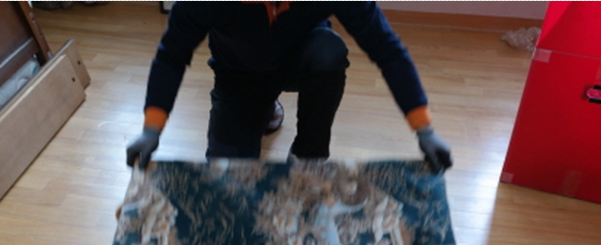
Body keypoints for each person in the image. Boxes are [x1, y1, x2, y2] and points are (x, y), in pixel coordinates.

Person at [126, 1, 452, 171]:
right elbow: (171, 56)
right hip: (238, 76)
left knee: (329, 53)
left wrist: (423, 128)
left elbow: (387, 49)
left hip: (302, 61)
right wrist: (152, 128)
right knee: (230, 180)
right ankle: (264, 106)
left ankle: (308, 155)